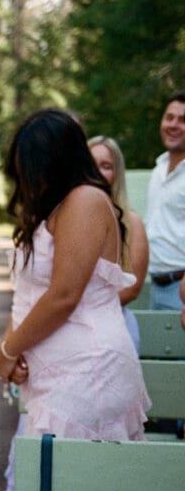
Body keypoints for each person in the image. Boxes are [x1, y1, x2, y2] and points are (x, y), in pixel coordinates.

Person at [0, 109, 150, 491]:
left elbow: (64, 294)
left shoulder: (86, 199)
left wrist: (9, 347)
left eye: (31, 167)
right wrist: (9, 354)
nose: (25, 180)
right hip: (56, 382)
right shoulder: (51, 206)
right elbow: (29, 293)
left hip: (90, 378)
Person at [89, 135, 150, 350]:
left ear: (116, 174)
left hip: (114, 327)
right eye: (91, 164)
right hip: (71, 327)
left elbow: (132, 288)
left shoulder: (132, 223)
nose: (96, 172)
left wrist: (82, 312)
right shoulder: (66, 221)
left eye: (105, 166)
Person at [145, 90, 185, 312]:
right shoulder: (158, 169)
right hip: (155, 285)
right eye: (169, 117)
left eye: (183, 120)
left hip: (182, 290)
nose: (174, 125)